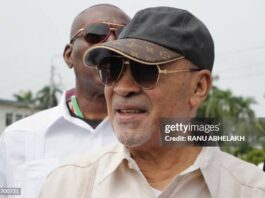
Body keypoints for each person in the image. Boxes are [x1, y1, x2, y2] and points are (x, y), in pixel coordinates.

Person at [39, 6, 265, 198]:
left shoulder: (250, 190)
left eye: (145, 70)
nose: (122, 88)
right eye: (112, 69)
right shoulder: (68, 186)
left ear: (198, 87)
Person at [0, 4, 130, 198]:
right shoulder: (18, 137)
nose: (111, 44)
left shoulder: (152, 135)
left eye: (124, 36)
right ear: (69, 55)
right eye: (95, 34)